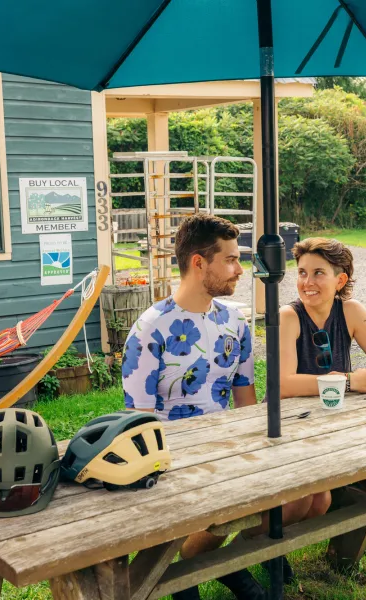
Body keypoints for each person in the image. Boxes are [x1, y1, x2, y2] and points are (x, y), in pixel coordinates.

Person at [121, 213, 307, 600]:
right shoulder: (149, 329)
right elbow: (138, 419)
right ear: (198, 263)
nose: (241, 270)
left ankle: (226, 563)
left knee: (300, 492)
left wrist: (258, 450)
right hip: (171, 457)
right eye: (231, 259)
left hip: (228, 448)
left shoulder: (234, 321)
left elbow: (244, 393)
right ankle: (189, 579)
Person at [279, 237, 366, 528]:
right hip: (295, 423)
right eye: (302, 273)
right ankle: (267, 545)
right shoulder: (288, 316)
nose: (307, 282)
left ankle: (347, 530)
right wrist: (347, 382)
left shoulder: (351, 311)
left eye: (319, 273)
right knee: (314, 499)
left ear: (340, 280)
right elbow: (283, 385)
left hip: (337, 420)